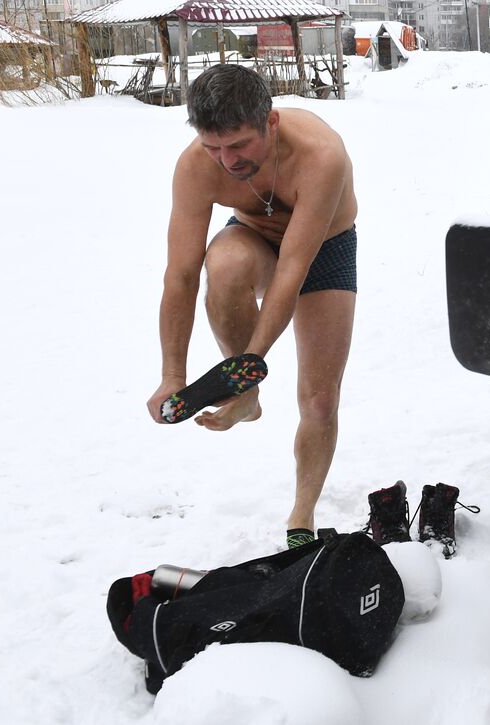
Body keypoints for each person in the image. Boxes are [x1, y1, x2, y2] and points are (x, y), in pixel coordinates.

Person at [146, 65, 358, 549]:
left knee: (320, 400)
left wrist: (251, 362)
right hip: (254, 236)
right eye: (213, 147)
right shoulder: (196, 166)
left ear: (271, 122)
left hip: (323, 248)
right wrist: (172, 375)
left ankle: (302, 512)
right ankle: (246, 397)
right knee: (223, 267)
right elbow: (179, 276)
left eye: (238, 145)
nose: (226, 160)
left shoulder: (320, 156)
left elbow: (293, 270)